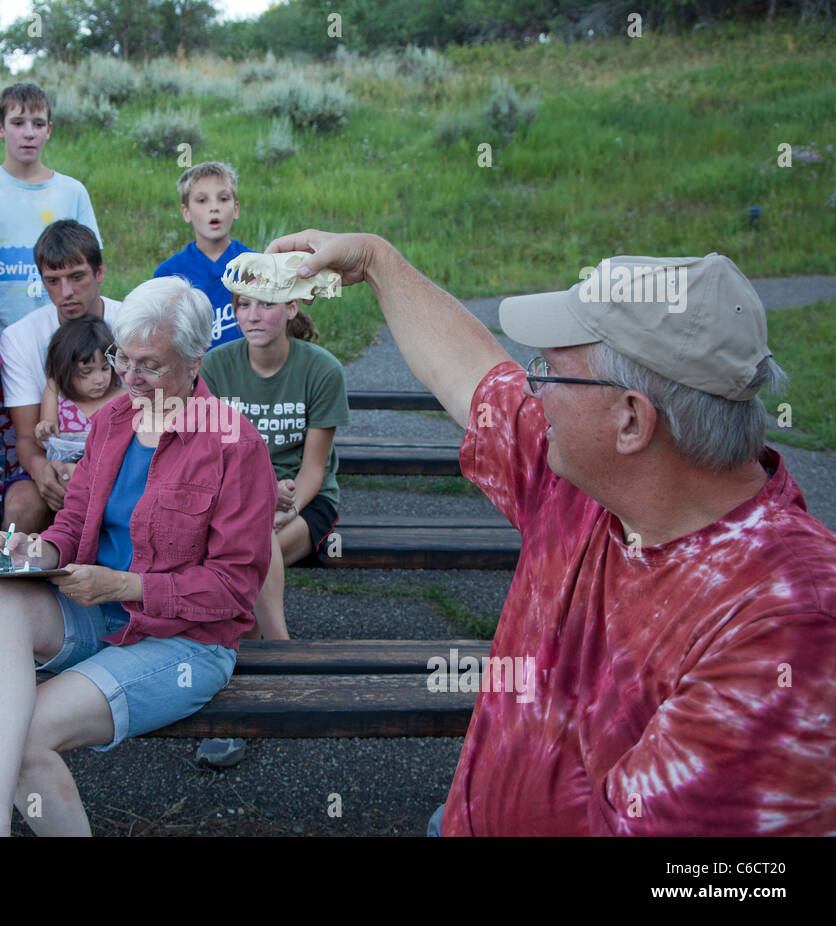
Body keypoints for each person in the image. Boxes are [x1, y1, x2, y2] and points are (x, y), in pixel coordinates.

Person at [271, 232, 836, 836]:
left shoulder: (787, 629)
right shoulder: (596, 477)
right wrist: (374, 260)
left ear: (630, 419)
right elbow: (475, 380)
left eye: (549, 370)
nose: (531, 389)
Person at [0, 276, 277, 836]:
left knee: (22, 733)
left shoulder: (237, 445)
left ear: (194, 361)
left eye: (149, 366)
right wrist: (30, 551)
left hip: (186, 640)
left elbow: (233, 591)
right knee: (2, 596)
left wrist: (124, 587)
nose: (127, 380)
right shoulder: (112, 421)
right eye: (121, 358)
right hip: (97, 609)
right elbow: (70, 526)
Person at [201, 291, 349, 640]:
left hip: (305, 501)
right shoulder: (215, 366)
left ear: (291, 308)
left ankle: (276, 648)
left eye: (267, 304)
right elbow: (210, 456)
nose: (253, 316)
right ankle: (264, 651)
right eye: (243, 305)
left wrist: (288, 506)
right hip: (235, 496)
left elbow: (314, 468)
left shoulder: (322, 369)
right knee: (245, 541)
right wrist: (260, 495)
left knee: (251, 547)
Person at [0, 220, 122, 531]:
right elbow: (27, 438)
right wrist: (43, 474)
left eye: (77, 277)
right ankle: (14, 577)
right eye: (52, 281)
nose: (65, 293)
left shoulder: (132, 323)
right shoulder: (20, 337)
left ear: (100, 273)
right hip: (53, 459)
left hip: (120, 461)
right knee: (21, 503)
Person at [0, 83, 102, 333]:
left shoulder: (72, 192)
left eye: (38, 124)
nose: (28, 133)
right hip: (1, 340)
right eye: (17, 123)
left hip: (66, 342)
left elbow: (92, 271)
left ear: (49, 130)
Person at [154, 161, 255, 351]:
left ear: (236, 209)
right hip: (193, 376)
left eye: (223, 199)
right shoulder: (168, 274)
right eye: (202, 200)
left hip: (247, 374)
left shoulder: (256, 264)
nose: (214, 207)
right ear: (186, 212)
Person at [35, 315, 125, 463]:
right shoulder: (56, 391)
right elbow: (47, 429)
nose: (99, 380)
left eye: (105, 368)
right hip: (65, 474)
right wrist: (45, 429)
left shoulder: (122, 399)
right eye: (86, 372)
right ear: (64, 370)